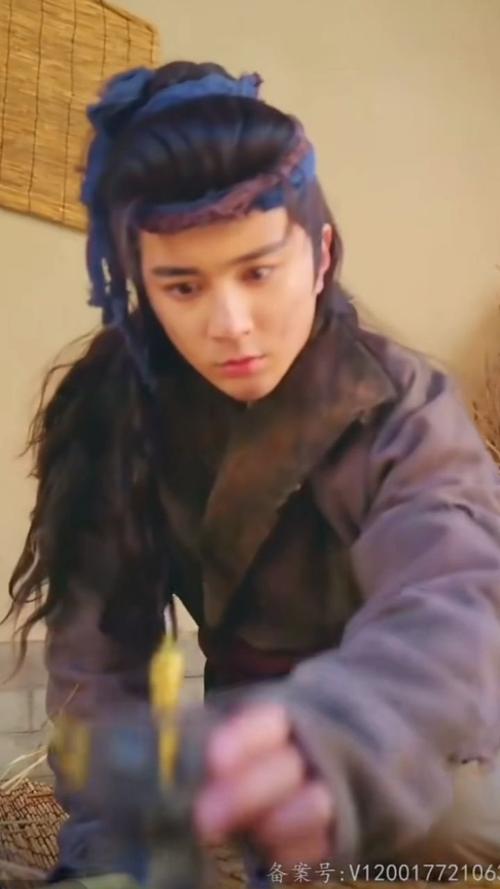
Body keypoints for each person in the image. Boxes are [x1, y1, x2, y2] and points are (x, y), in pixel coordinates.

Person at [5, 60, 500, 886]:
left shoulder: (404, 409)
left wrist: (328, 741)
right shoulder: (114, 420)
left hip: (433, 736)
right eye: (183, 285)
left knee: (444, 816)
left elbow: (454, 606)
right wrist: (111, 854)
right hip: (254, 739)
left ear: (321, 254)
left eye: (258, 272)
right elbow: (98, 671)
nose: (230, 324)